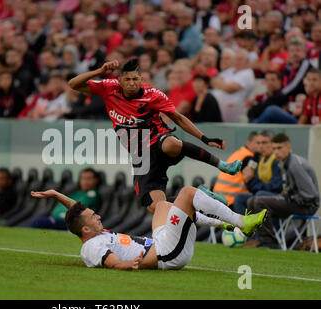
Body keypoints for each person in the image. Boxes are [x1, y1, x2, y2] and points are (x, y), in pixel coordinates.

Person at [68, 58, 242, 214]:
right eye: (127, 79)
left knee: (171, 145)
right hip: (141, 155)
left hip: (158, 140)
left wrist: (205, 139)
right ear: (119, 80)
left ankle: (222, 165)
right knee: (157, 207)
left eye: (135, 79)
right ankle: (201, 197)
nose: (131, 83)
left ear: (141, 80)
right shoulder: (109, 88)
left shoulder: (153, 95)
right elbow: (73, 84)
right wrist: (99, 71)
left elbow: (179, 118)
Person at [31, 187, 267, 270]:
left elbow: (77, 212)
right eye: (94, 217)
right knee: (186, 194)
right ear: (85, 230)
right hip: (164, 256)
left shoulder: (93, 233)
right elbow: (109, 261)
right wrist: (130, 265)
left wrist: (55, 195)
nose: (98, 216)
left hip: (160, 243)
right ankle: (240, 221)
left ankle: (223, 222)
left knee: (163, 205)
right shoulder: (92, 246)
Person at [247, 133, 320, 248]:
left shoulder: (294, 165)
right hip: (295, 201)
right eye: (274, 148)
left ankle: (270, 243)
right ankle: (260, 239)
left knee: (259, 202)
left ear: (289, 147)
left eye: (279, 148)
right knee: (251, 201)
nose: (276, 152)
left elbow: (310, 195)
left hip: (306, 205)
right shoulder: (284, 162)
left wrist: (288, 198)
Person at [29, 168, 100, 230]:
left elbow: (79, 208)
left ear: (95, 180)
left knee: (37, 222)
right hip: (56, 219)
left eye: (88, 179)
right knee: (36, 220)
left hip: (70, 224)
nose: (85, 182)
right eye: (83, 178)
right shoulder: (77, 193)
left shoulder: (92, 194)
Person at [233, 130, 283, 214]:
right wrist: (249, 180)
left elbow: (276, 188)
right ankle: (243, 226)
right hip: (261, 194)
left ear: (273, 143)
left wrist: (253, 180)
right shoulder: (258, 159)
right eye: (258, 143)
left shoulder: (276, 160)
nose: (260, 146)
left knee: (259, 195)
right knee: (239, 197)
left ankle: (265, 227)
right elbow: (253, 187)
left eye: (264, 143)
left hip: (277, 197)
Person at [213, 131, 261, 207]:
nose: (260, 146)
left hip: (219, 197)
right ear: (248, 143)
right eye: (258, 143)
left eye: (262, 143)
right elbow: (250, 179)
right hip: (231, 200)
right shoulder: (248, 158)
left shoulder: (239, 153)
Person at [211, 48, 255, 122]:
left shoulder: (247, 73)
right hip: (217, 103)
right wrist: (224, 85)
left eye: (240, 59)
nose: (237, 61)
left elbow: (230, 88)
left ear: (247, 61)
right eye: (236, 59)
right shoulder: (231, 70)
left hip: (232, 107)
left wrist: (222, 85)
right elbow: (213, 81)